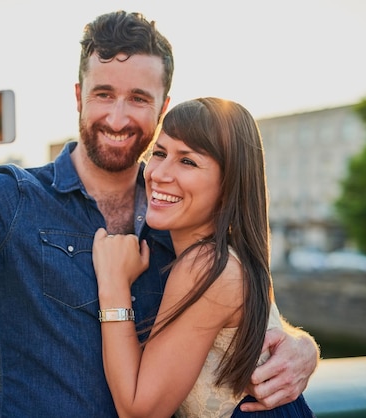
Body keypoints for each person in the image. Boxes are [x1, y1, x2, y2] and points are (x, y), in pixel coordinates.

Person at [0, 10, 319, 416]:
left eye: (139, 99)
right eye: (103, 93)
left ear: (163, 107)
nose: (117, 117)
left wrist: (299, 345)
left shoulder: (183, 213)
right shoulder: (14, 198)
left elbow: (240, 305)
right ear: (78, 98)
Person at [92, 97, 316, 417]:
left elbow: (139, 410)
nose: (159, 173)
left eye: (188, 162)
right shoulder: (235, 256)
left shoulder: (206, 265)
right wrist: (306, 345)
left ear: (228, 184)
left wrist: (113, 283)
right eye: (159, 153)